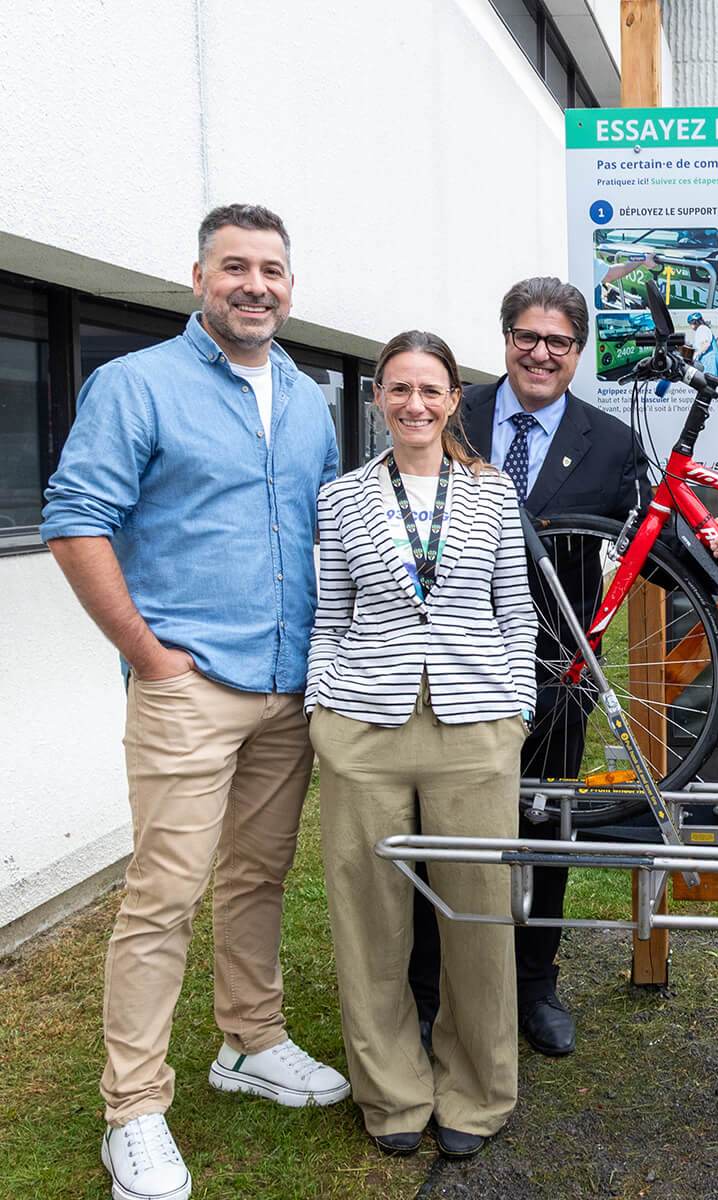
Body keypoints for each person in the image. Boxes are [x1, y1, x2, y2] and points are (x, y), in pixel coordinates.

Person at [40, 203, 349, 1200]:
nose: (255, 285)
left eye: (272, 270)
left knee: (259, 877)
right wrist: (146, 654)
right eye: (235, 267)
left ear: (290, 286)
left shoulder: (306, 398)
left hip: (286, 685)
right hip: (189, 687)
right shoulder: (136, 384)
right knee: (162, 897)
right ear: (198, 279)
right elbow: (75, 520)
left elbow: (324, 530)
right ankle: (132, 1109)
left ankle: (249, 1040)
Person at [408, 277, 718, 1058]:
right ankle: (428, 990)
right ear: (506, 341)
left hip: (559, 666)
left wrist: (717, 552)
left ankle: (534, 984)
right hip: (452, 659)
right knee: (437, 827)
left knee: (546, 821)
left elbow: (650, 555)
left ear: (578, 351)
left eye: (558, 342)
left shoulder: (611, 442)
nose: (541, 353)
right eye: (527, 337)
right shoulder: (450, 414)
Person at [307, 330, 536, 1159]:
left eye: (429, 389)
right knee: (370, 920)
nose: (414, 404)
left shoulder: (493, 495)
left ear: (453, 400)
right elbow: (330, 616)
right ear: (377, 398)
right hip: (363, 729)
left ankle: (476, 1091)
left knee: (478, 916)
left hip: (475, 728)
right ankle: (392, 1093)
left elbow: (516, 612)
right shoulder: (341, 499)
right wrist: (322, 712)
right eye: (398, 389)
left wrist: (516, 711)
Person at [687, 312, 718, 378]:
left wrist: (696, 354)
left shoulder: (702, 329)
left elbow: (706, 344)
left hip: (709, 359)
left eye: (690, 324)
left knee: (710, 379)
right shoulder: (702, 329)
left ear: (695, 322)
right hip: (706, 359)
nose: (690, 326)